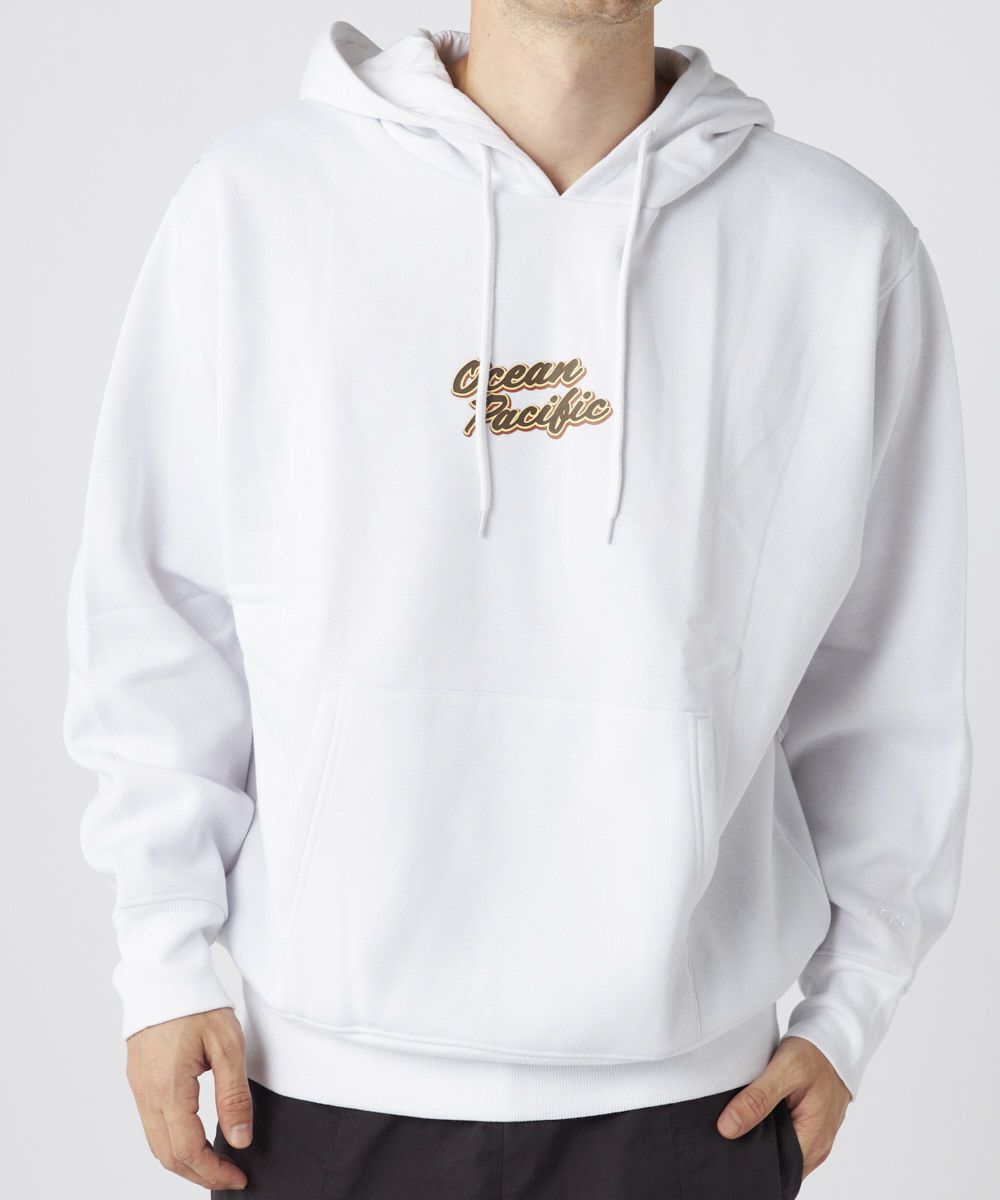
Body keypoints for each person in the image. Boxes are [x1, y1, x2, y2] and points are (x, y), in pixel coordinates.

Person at [62, 2, 973, 1196]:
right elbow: (161, 609)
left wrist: (850, 1009)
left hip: (690, 1110)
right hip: (316, 1092)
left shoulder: (838, 249)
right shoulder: (257, 204)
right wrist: (162, 957)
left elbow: (890, 678)